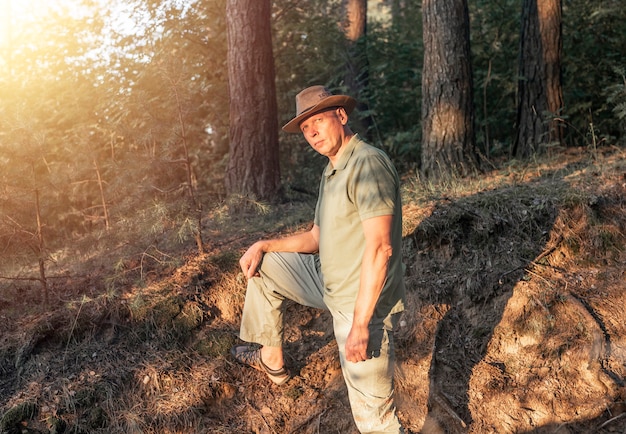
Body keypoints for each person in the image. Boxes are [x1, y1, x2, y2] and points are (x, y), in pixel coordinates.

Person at [231, 85, 406, 433]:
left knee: (375, 423)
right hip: (327, 280)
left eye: (318, 121)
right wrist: (264, 244)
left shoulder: (366, 163)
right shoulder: (331, 171)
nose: (311, 132)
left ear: (340, 116)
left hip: (359, 304)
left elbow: (380, 248)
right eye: (305, 128)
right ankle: (272, 360)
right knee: (265, 266)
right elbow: (315, 239)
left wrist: (360, 325)